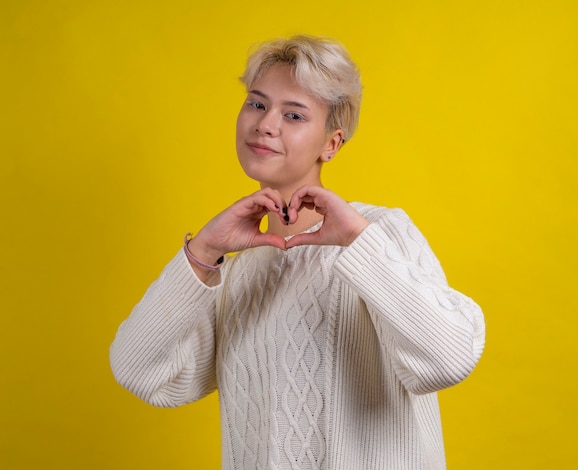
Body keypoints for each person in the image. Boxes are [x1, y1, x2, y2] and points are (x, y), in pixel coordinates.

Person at [110, 35, 485, 470]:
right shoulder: (233, 273)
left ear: (331, 144)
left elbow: (449, 358)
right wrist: (204, 250)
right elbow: (141, 372)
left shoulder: (381, 235)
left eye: (293, 114)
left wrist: (359, 242)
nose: (266, 124)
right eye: (256, 104)